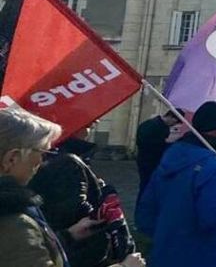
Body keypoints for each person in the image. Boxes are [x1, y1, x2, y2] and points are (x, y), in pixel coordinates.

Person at [2, 108, 145, 267]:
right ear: (12, 159)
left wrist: (68, 236)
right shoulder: (13, 220)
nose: (43, 162)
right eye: (42, 152)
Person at [137, 100, 216, 267]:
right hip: (204, 255)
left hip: (166, 251)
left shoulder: (170, 155)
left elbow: (146, 211)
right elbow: (215, 218)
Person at [30, 123, 137, 267]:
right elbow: (76, 211)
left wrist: (69, 234)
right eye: (38, 151)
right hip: (79, 251)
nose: (95, 123)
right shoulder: (66, 163)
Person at [134, 109, 180, 197]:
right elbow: (144, 142)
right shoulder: (151, 125)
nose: (173, 125)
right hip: (147, 160)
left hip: (154, 160)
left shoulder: (162, 126)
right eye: (175, 122)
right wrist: (165, 142)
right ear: (170, 117)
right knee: (146, 185)